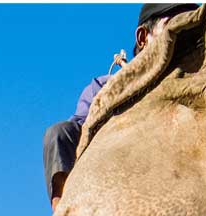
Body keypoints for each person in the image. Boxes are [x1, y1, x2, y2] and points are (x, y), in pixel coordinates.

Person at [42, 3, 197, 205]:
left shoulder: (198, 79)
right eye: (173, 24)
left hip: (183, 173)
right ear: (143, 38)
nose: (184, 34)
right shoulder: (104, 87)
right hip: (121, 169)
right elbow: (74, 133)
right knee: (58, 133)